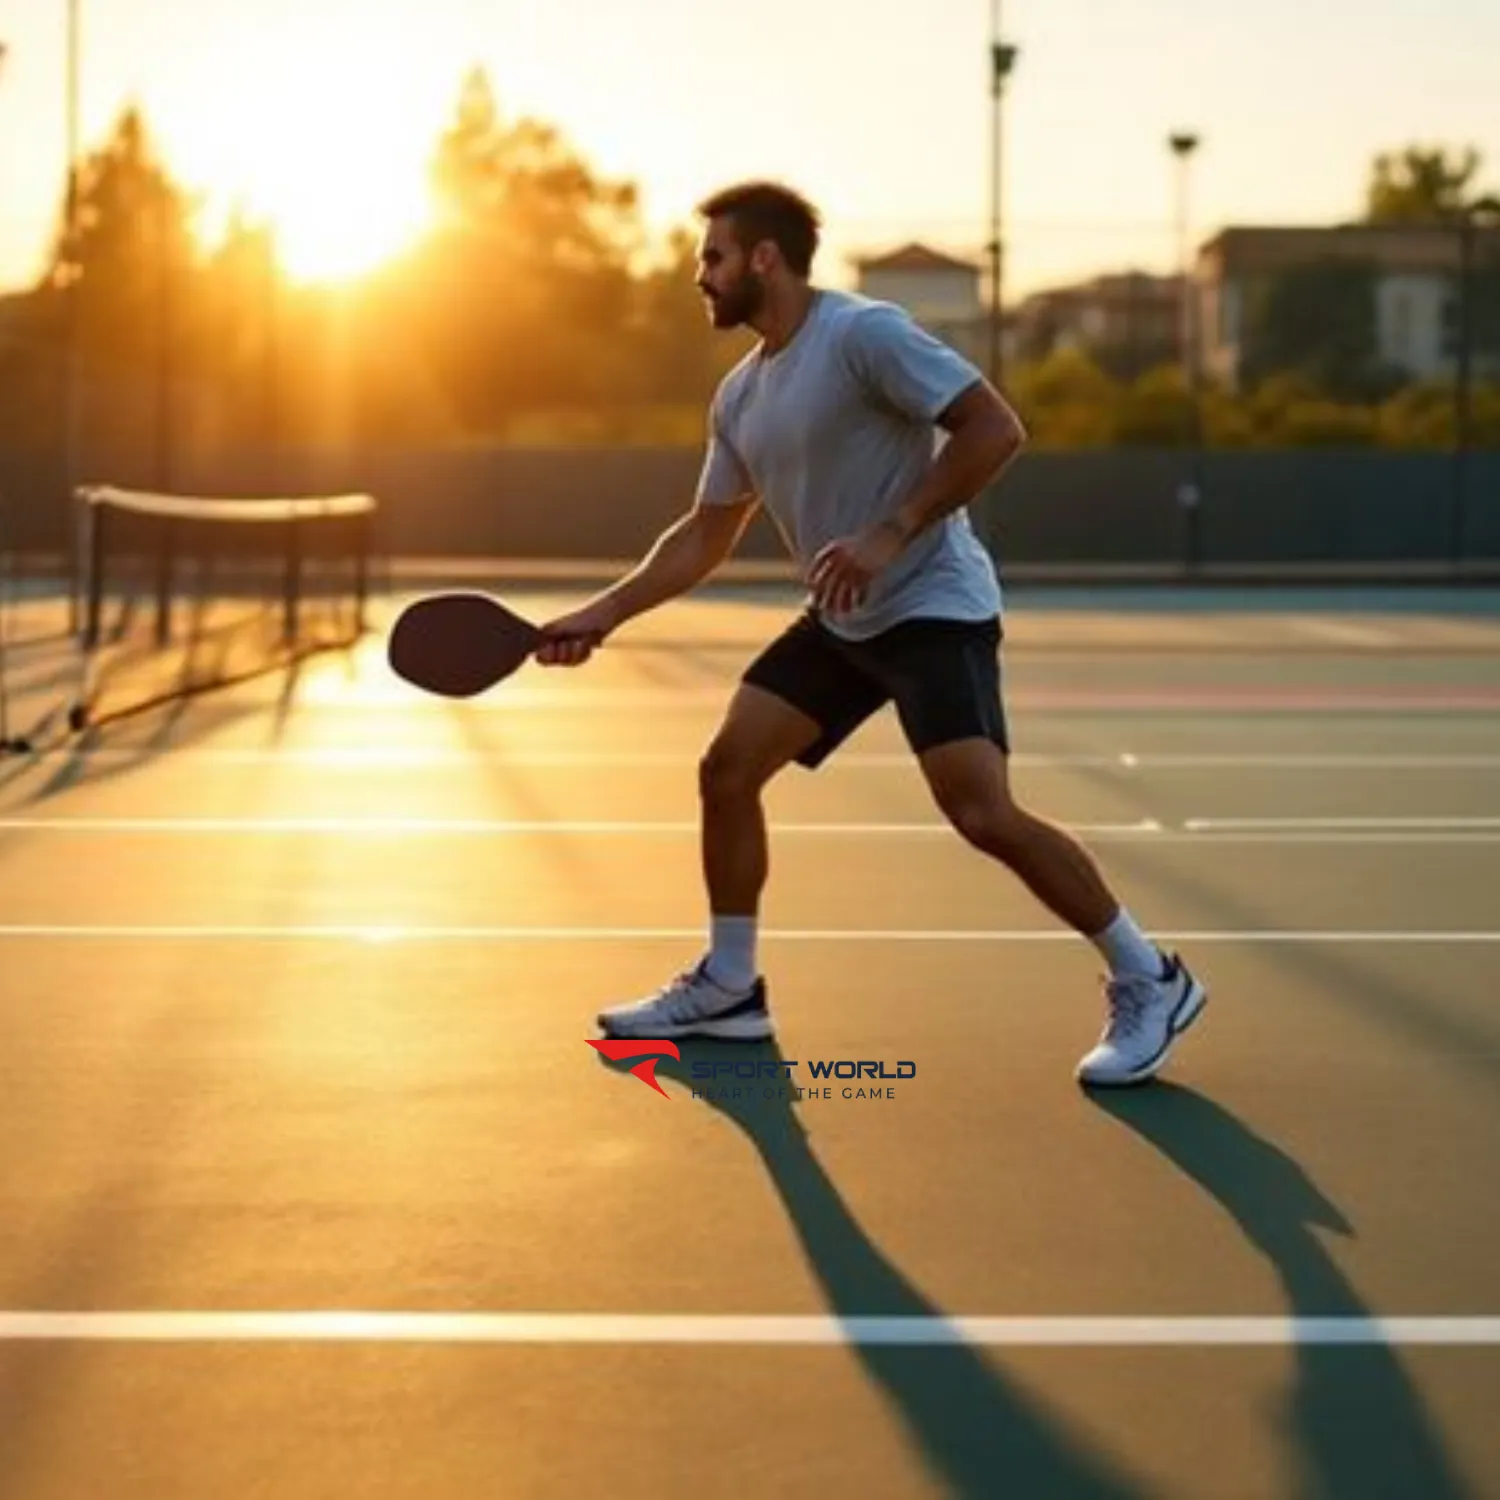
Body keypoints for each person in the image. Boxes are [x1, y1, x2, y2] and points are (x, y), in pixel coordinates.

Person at [536, 181, 1206, 1087]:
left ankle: (1149, 976)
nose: (701, 276)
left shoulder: (863, 334)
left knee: (981, 813)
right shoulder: (740, 395)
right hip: (842, 614)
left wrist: (892, 531)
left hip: (934, 603)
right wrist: (602, 614)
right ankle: (730, 986)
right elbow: (706, 533)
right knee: (727, 771)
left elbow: (994, 427)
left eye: (713, 258)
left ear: (764, 259)